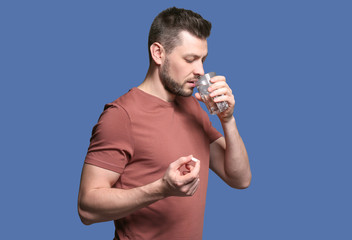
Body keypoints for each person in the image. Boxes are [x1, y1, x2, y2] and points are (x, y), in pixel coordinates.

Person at [78, 7, 251, 240]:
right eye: (190, 59)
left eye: (203, 59)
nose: (200, 71)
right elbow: (86, 209)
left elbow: (239, 178)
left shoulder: (191, 106)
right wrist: (161, 188)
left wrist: (227, 119)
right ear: (158, 53)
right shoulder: (121, 116)